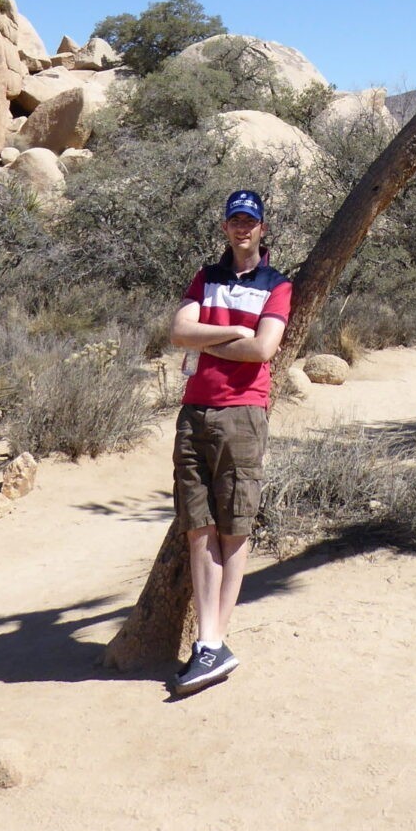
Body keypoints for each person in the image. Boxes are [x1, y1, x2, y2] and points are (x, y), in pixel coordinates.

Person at [168, 187, 291, 696]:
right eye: (235, 220)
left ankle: (219, 638)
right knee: (199, 526)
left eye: (251, 221)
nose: (242, 228)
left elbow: (264, 348)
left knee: (234, 525)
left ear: (262, 228)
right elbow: (178, 332)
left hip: (243, 412)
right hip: (195, 408)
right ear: (225, 226)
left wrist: (210, 333)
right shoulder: (206, 276)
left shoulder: (277, 284)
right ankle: (207, 643)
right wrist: (232, 334)